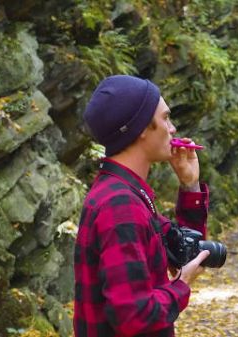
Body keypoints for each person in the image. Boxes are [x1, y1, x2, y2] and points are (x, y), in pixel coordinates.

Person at [74, 75, 210, 337]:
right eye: (165, 118)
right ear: (141, 128)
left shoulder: (124, 193)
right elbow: (134, 317)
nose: (172, 129)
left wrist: (190, 185)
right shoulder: (120, 205)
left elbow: (186, 252)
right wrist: (181, 285)